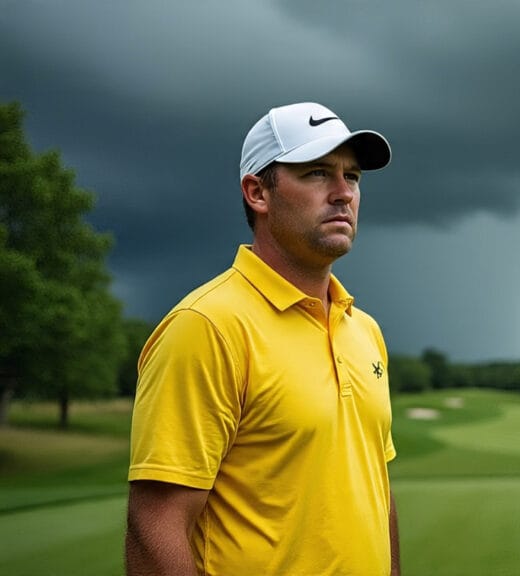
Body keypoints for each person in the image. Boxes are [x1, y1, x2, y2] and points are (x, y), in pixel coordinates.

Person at [125, 102, 400, 576]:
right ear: (257, 193)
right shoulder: (206, 325)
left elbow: (375, 490)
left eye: (352, 176)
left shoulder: (365, 331)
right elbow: (155, 527)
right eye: (317, 173)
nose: (342, 194)